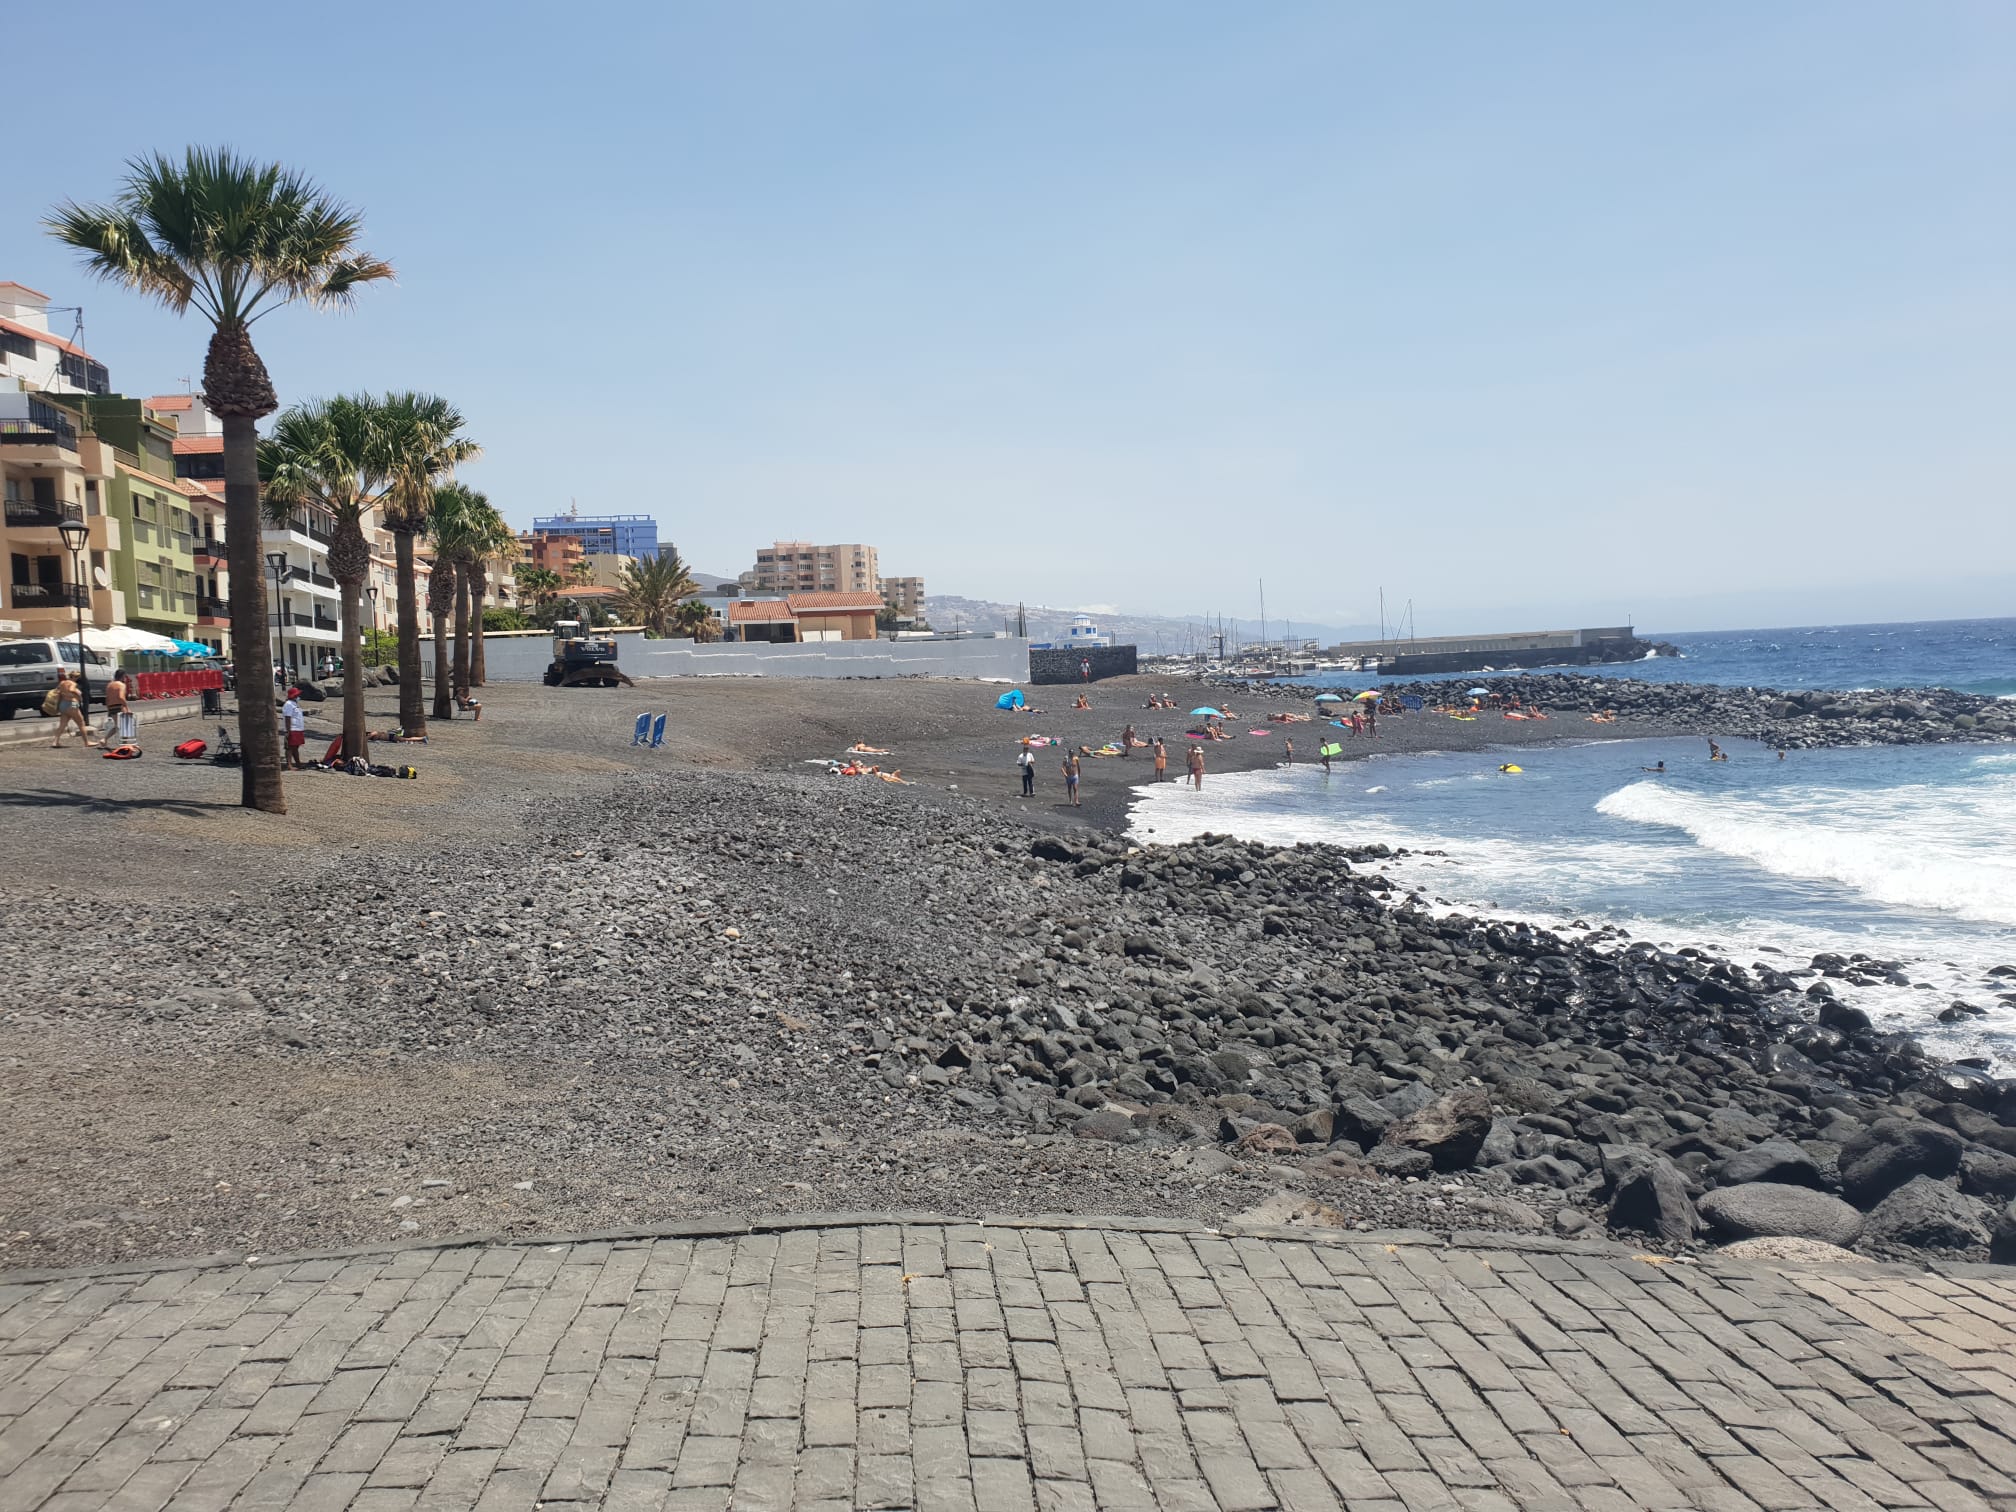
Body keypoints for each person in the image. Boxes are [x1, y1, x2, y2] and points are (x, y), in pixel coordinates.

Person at [51, 671, 95, 748]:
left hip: (63, 704)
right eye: (77, 677)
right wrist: (79, 694)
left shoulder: (62, 683)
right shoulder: (73, 684)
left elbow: (58, 692)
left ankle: (55, 741)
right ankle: (86, 742)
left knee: (62, 725)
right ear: (75, 677)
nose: (78, 679)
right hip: (72, 703)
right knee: (81, 723)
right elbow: (72, 690)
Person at [101, 669, 129, 744]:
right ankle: (124, 743)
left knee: (118, 726)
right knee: (125, 725)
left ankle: (104, 739)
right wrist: (126, 707)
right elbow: (121, 697)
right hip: (119, 706)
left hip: (111, 707)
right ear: (123, 677)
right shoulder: (121, 685)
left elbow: (107, 698)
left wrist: (108, 709)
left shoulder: (109, 685)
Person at [281, 689, 307, 769]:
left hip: (298, 729)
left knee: (296, 747)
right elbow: (288, 718)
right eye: (297, 695)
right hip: (292, 728)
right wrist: (288, 731)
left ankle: (298, 763)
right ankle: (289, 764)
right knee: (290, 747)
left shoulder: (295, 704)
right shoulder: (288, 704)